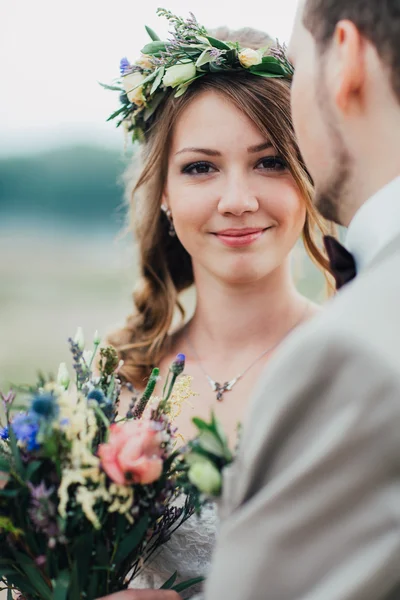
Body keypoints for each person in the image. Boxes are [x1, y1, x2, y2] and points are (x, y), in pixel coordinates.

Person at [100, 0, 400, 598]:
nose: (237, 199)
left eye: (268, 162)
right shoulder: (113, 384)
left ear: (307, 169)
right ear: (161, 191)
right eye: (200, 168)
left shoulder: (362, 364)